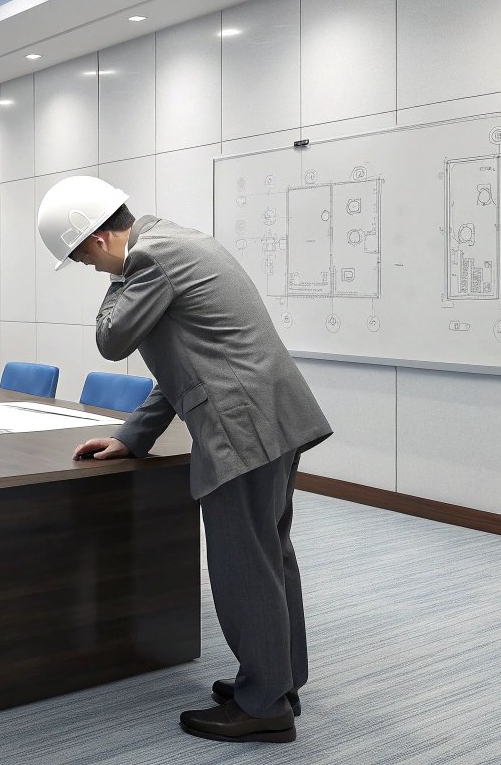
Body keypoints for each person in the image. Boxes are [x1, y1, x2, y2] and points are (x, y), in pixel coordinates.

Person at [37, 176, 332, 744]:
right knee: (271, 553)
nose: (91, 270)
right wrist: (132, 439)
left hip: (241, 426)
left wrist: (119, 276)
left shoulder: (147, 258)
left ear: (99, 239)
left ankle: (265, 704)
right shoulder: (174, 242)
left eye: (83, 258)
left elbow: (111, 338)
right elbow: (183, 368)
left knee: (243, 565)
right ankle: (279, 679)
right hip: (272, 414)